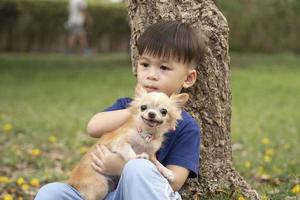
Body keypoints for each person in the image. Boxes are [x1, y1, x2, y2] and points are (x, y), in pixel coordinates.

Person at [35, 20, 206, 200]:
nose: (151, 75)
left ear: (188, 78)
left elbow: (176, 181)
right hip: (110, 194)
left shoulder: (187, 127)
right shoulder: (127, 106)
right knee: (52, 192)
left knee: (138, 166)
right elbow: (93, 127)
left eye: (163, 67)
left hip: (149, 193)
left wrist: (121, 167)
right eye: (145, 64)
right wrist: (135, 110)